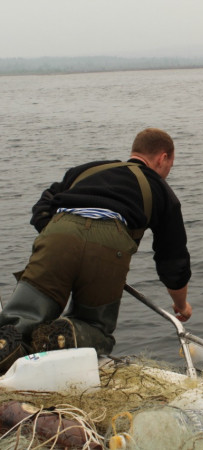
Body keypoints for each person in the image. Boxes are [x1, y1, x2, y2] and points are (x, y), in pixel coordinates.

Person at [0, 128, 192, 373]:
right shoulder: (162, 191)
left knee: (20, 318)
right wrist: (181, 305)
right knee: (96, 327)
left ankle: (7, 343)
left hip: (58, 233)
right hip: (109, 245)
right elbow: (172, 257)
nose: (167, 173)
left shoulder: (86, 170)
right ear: (163, 158)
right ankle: (69, 336)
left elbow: (43, 204)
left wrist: (58, 235)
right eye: (169, 166)